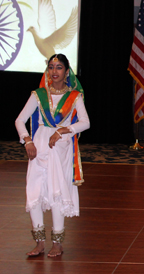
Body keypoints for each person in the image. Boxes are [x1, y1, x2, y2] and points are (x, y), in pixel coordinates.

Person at [15, 54, 89, 257]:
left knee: (57, 192)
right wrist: (27, 140)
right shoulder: (38, 94)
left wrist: (62, 131)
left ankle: (58, 243)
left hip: (61, 148)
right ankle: (39, 242)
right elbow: (20, 120)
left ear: (67, 71)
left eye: (59, 67)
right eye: (51, 67)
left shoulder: (75, 96)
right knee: (35, 192)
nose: (54, 71)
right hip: (38, 147)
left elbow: (85, 122)